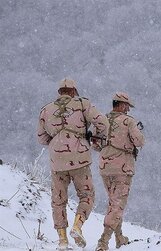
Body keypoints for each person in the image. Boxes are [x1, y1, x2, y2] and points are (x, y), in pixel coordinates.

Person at [37, 78, 109, 250]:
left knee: (58, 200)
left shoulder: (46, 109)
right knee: (87, 195)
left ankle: (62, 240)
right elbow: (103, 122)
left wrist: (57, 142)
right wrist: (97, 140)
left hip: (57, 162)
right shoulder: (82, 104)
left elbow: (41, 138)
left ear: (59, 92)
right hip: (80, 159)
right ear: (74, 91)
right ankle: (77, 226)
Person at [93, 92, 145, 251]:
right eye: (127, 106)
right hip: (122, 168)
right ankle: (103, 241)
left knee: (113, 202)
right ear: (122, 105)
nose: (128, 109)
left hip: (105, 167)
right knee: (117, 204)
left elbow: (95, 145)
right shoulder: (129, 122)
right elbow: (139, 141)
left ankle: (119, 237)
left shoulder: (101, 120)